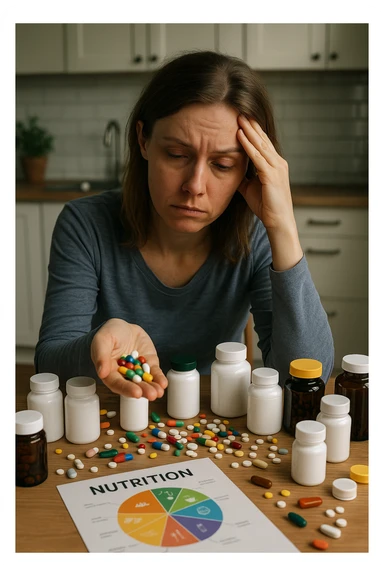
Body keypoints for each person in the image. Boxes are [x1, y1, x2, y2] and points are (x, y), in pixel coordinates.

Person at [35, 50, 334, 401]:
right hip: (109, 416)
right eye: (177, 155)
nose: (195, 185)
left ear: (249, 170)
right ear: (143, 140)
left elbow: (307, 375)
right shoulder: (84, 225)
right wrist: (96, 343)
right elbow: (48, 367)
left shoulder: (254, 236)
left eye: (222, 164)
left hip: (211, 416)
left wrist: (283, 226)